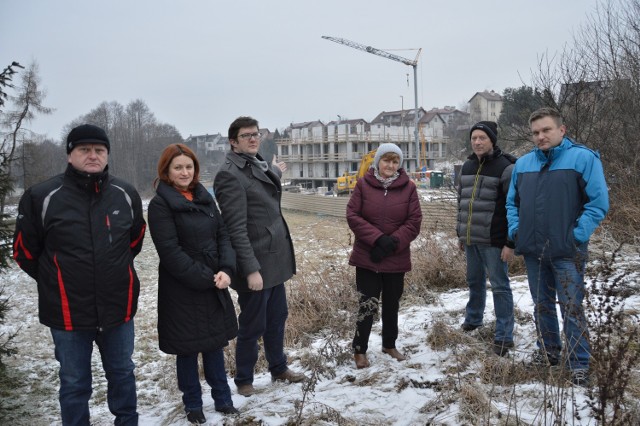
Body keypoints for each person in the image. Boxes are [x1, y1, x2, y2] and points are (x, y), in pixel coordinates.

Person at [12, 124, 146, 425]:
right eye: (84, 149)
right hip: (68, 312)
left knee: (123, 374)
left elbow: (134, 241)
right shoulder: (42, 196)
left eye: (99, 150)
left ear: (107, 154)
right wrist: (57, 279)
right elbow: (25, 253)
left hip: (118, 308)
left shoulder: (125, 193)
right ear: (70, 154)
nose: (93, 155)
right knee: (74, 383)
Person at [506, 107, 609, 386]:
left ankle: (579, 363)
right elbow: (512, 203)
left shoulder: (583, 158)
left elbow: (598, 203)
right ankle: (548, 352)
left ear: (561, 130)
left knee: (572, 307)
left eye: (546, 130)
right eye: (536, 132)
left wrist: (575, 236)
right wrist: (517, 231)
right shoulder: (523, 164)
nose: (541, 136)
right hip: (533, 251)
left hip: (567, 251)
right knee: (542, 306)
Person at [213, 116, 305, 397]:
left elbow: (259, 188)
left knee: (277, 317)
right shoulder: (228, 174)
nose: (253, 139)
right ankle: (244, 380)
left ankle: (278, 367)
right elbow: (235, 229)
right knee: (253, 326)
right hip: (256, 264)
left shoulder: (256, 164)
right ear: (233, 141)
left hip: (274, 259)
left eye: (256, 134)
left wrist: (275, 171)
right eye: (246, 136)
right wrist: (251, 269)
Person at [147, 144, 239, 423]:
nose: (185, 172)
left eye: (189, 167)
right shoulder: (160, 205)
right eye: (178, 167)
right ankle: (193, 406)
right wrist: (207, 278)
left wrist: (226, 269)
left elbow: (223, 235)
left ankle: (223, 400)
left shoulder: (205, 198)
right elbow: (170, 252)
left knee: (214, 345)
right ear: (167, 171)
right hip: (182, 289)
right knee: (187, 350)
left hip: (214, 282)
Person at [346, 143, 422, 369]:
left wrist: (392, 243)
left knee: (392, 304)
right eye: (386, 160)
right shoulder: (362, 185)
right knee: (367, 304)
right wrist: (377, 239)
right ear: (377, 161)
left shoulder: (408, 188)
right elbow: (353, 215)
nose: (390, 165)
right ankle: (360, 350)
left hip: (395, 256)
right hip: (367, 256)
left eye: (395, 161)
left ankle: (389, 344)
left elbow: (414, 221)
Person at [456, 121, 516, 357]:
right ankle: (473, 320)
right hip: (471, 238)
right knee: (474, 281)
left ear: (492, 140)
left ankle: (504, 334)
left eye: (482, 138)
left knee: (500, 286)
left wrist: (510, 242)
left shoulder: (506, 168)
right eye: (474, 138)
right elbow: (460, 203)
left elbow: (514, 207)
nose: (477, 142)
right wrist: (460, 233)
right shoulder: (467, 166)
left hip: (495, 240)